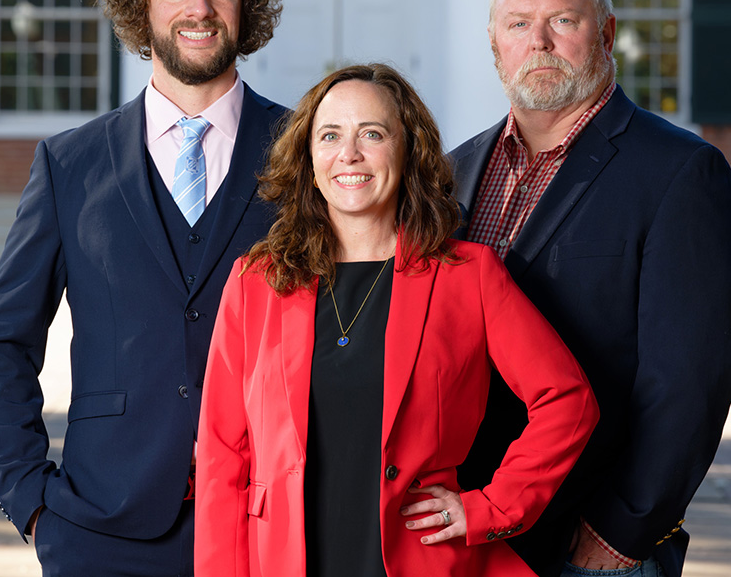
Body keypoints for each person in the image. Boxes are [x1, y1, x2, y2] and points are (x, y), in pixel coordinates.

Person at [0, 0, 286, 576]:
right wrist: (29, 498)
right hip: (99, 525)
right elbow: (3, 342)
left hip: (272, 520)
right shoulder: (69, 164)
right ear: (141, 9)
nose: (197, 8)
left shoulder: (305, 152)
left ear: (246, 6)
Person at [194, 63, 599, 577]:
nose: (349, 154)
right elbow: (223, 455)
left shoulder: (469, 277)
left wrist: (490, 508)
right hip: (282, 560)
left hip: (422, 562)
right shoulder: (255, 282)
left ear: (408, 153)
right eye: (330, 135)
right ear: (309, 158)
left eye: (373, 134)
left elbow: (567, 401)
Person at [451, 0, 731, 577]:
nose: (540, 42)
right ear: (494, 42)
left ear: (605, 35)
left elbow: (691, 381)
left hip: (591, 543)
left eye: (564, 20)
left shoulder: (678, 174)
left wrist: (623, 531)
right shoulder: (451, 174)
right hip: (468, 532)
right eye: (519, 24)